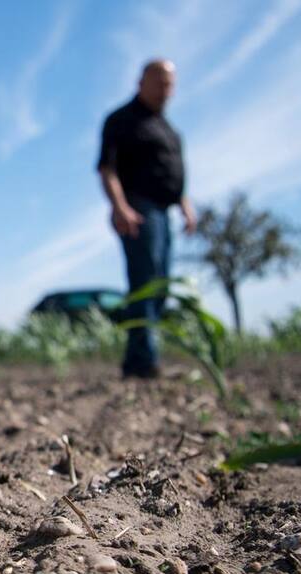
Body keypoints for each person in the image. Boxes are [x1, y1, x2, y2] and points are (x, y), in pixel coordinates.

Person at [97, 59, 197, 379]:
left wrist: (184, 202)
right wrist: (120, 206)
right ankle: (145, 362)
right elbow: (107, 168)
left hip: (164, 211)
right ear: (141, 82)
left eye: (170, 84)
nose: (165, 90)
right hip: (138, 209)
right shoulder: (122, 120)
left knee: (161, 287)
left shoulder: (168, 129)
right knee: (146, 283)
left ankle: (136, 361)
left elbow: (170, 174)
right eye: (159, 82)